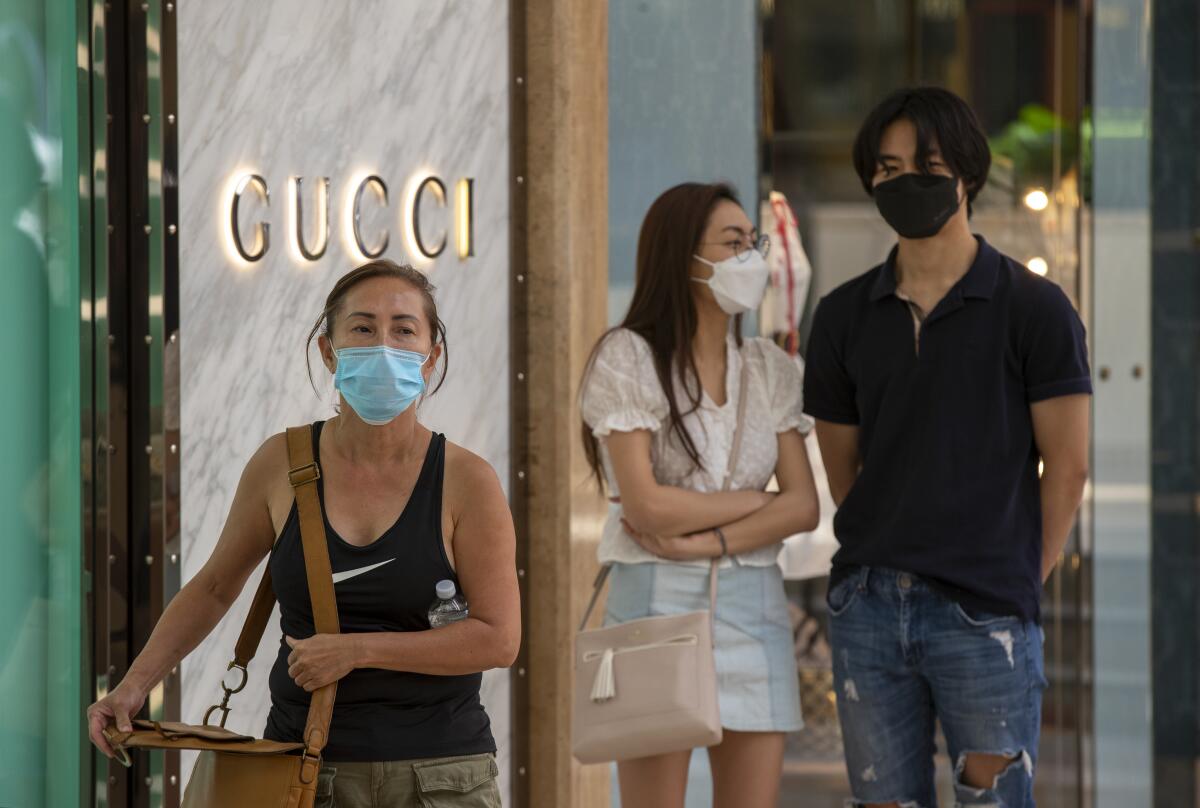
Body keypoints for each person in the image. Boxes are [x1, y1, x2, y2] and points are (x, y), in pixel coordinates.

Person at [86, 260, 520, 808]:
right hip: (305, 775)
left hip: (441, 777)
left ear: (430, 357)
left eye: (404, 329)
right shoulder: (282, 463)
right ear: (328, 351)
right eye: (362, 328)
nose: (383, 344)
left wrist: (357, 650)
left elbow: (499, 638)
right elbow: (215, 585)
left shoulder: (466, 479)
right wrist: (132, 687)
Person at [803, 87, 1092, 808]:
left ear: (965, 172)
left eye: (925, 165)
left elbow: (1070, 463)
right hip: (869, 607)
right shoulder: (842, 317)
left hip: (986, 610)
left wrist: (1024, 577)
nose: (905, 183)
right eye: (888, 168)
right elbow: (845, 472)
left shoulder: (1034, 310)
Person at [579, 182, 821, 808]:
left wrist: (703, 541)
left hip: (755, 607)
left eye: (754, 241)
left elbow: (805, 507)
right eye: (734, 242)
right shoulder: (628, 357)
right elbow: (645, 507)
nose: (752, 256)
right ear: (684, 255)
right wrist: (758, 503)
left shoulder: (769, 367)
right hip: (656, 608)